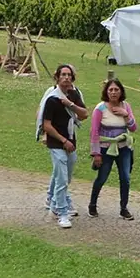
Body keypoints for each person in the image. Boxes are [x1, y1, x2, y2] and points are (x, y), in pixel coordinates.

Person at [41, 64, 88, 229]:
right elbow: (46, 124)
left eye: (69, 75)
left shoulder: (74, 95)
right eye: (63, 75)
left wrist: (70, 104)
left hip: (71, 141)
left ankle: (53, 203)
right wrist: (62, 140)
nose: (66, 78)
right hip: (57, 143)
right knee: (61, 178)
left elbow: (84, 115)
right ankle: (62, 213)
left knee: (65, 176)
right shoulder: (52, 98)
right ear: (58, 77)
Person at [88, 78, 138, 220]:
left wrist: (126, 115)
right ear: (106, 92)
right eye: (111, 90)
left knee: (125, 178)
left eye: (116, 89)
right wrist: (96, 153)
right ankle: (92, 204)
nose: (114, 92)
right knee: (102, 177)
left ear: (121, 91)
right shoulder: (100, 109)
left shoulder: (126, 106)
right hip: (106, 149)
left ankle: (124, 208)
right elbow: (94, 131)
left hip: (124, 148)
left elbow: (133, 128)